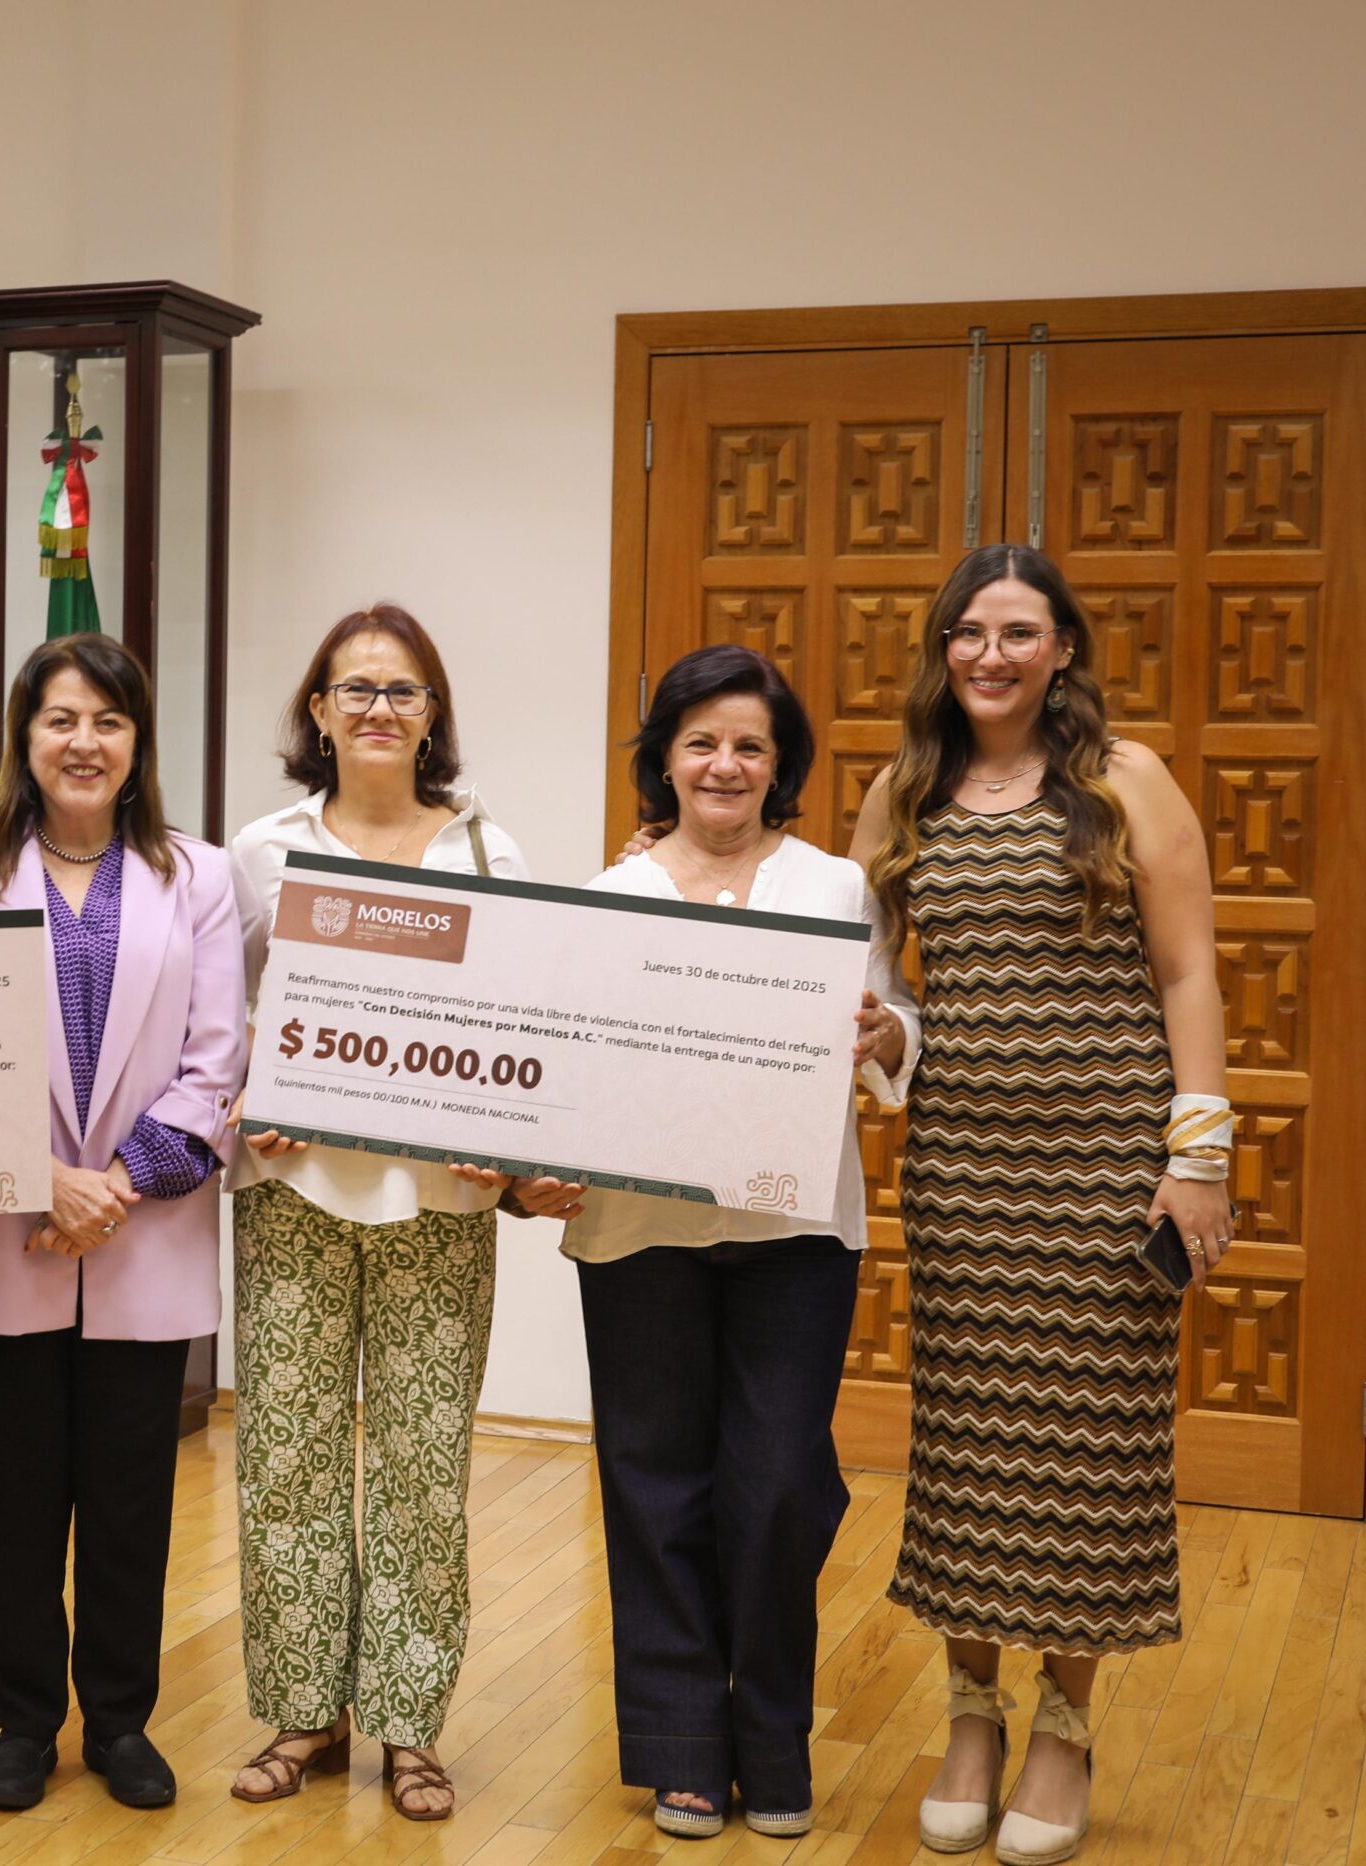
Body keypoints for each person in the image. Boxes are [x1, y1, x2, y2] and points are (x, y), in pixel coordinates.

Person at [859, 545, 1228, 1866]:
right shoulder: (904, 789)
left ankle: (1064, 1725)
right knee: (967, 1451)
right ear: (942, 650)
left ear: (1063, 647)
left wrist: (1199, 1154)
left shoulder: (1125, 780)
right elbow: (873, 983)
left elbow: (1187, 972)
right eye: (967, 632)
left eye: (1019, 631)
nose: (990, 654)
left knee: (1086, 1455)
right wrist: (877, 1036)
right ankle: (972, 1715)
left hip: (1106, 1171)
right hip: (963, 1172)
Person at [223, 604, 572, 1823]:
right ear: (317, 712)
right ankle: (303, 1713)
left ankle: (411, 1726)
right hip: (292, 1194)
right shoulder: (260, 852)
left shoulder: (489, 855)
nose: (378, 709)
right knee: (286, 1463)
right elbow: (226, 1018)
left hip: (441, 1201)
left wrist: (510, 1140)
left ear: (433, 717)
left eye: (402, 691)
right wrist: (247, 1097)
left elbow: (526, 1025)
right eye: (354, 689)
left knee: (423, 1470)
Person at [566, 645, 919, 1840]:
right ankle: (680, 1746)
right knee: (652, 1482)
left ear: (781, 766)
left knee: (775, 1486)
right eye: (702, 743)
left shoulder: (834, 888)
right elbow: (571, 1063)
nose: (725, 765)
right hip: (637, 1228)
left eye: (750, 746)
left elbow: (891, 1018)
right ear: (664, 760)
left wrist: (886, 1037)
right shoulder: (605, 898)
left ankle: (770, 1741)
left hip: (793, 1230)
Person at [0, 634, 247, 1814]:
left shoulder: (199, 877)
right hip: (5, 1231)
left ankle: (118, 1722)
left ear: (138, 741)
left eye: (108, 720)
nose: (83, 742)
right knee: (12, 1497)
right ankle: (22, 1721)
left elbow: (214, 1062)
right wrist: (43, 1179)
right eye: (60, 719)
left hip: (144, 1234)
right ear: (24, 737)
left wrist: (111, 1188)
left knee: (129, 1500)